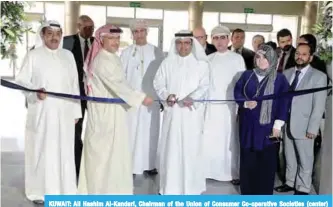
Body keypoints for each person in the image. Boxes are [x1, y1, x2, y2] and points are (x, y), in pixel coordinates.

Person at [77, 24, 153, 194]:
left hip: (114, 113)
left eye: (118, 38)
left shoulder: (113, 57)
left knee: (114, 155)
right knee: (101, 157)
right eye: (111, 38)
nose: (115, 42)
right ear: (101, 40)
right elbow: (117, 85)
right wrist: (141, 98)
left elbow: (122, 84)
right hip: (104, 116)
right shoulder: (102, 60)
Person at [15, 20, 81, 204]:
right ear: (43, 35)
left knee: (64, 152)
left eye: (57, 33)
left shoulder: (68, 56)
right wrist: (35, 92)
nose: (54, 37)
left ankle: (65, 191)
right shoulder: (34, 55)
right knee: (42, 152)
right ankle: (40, 192)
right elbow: (21, 81)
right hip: (42, 114)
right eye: (50, 33)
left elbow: (74, 84)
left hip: (65, 114)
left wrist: (76, 111)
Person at [153, 30, 210, 195]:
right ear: (175, 44)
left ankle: (191, 188)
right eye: (179, 43)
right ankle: (170, 187)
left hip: (191, 115)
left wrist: (193, 97)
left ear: (192, 44)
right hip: (173, 114)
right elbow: (158, 83)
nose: (183, 46)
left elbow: (205, 86)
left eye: (186, 43)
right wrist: (166, 95)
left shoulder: (202, 64)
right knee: (171, 149)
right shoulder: (167, 63)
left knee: (191, 149)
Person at [234, 44, 290, 195]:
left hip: (269, 127)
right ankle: (247, 193)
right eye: (258, 57)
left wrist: (278, 125)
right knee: (248, 159)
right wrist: (245, 102)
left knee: (267, 161)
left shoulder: (280, 79)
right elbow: (238, 92)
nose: (261, 60)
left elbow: (285, 103)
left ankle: (264, 195)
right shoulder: (247, 75)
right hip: (248, 126)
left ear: (272, 59)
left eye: (265, 57)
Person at [274, 43, 327, 195]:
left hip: (305, 125)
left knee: (305, 159)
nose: (299, 57)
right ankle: (290, 182)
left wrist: (313, 128)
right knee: (289, 156)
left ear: (310, 57)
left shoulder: (319, 76)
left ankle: (303, 187)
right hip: (287, 122)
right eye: (297, 53)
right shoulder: (287, 73)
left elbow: (318, 106)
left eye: (304, 54)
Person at [120, 19, 164, 176]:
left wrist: (156, 97)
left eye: (141, 31)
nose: (139, 34)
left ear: (147, 32)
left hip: (151, 100)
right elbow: (121, 78)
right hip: (132, 101)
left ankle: (150, 164)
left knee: (150, 132)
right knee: (131, 131)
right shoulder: (125, 53)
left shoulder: (156, 52)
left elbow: (161, 77)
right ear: (132, 34)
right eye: (135, 32)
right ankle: (130, 166)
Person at [202, 25, 245, 184]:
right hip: (211, 107)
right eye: (216, 38)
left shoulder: (237, 59)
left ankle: (230, 173)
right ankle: (207, 170)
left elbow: (241, 84)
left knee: (229, 139)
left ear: (228, 39)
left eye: (222, 37)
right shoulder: (208, 59)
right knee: (210, 138)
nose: (219, 41)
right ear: (212, 40)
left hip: (229, 107)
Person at [63, 15, 95, 179]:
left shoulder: (97, 43)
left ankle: (93, 163)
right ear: (78, 26)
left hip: (95, 95)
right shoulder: (67, 42)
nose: (90, 30)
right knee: (76, 129)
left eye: (92, 27)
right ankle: (77, 165)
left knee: (97, 128)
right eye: (86, 27)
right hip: (76, 93)